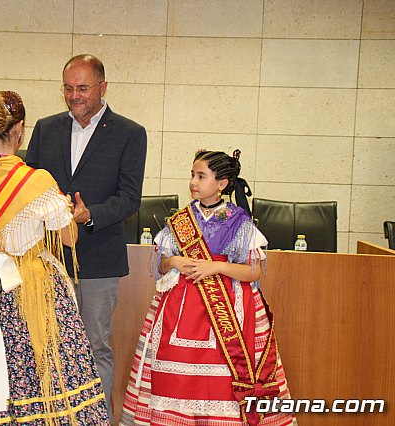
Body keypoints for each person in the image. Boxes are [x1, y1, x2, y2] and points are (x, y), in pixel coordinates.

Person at [0, 91, 109, 425]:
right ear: (20, 129)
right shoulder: (37, 180)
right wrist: (70, 212)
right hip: (29, 289)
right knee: (40, 371)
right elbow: (68, 238)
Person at [120, 150, 296, 426]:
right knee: (174, 376)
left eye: (201, 176)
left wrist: (216, 267)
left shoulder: (239, 221)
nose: (193, 181)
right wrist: (176, 260)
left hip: (228, 311)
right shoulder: (180, 220)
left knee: (222, 380)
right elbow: (163, 265)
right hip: (179, 309)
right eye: (192, 174)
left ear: (222, 183)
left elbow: (253, 271)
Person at [26, 54, 147, 417]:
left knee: (95, 346)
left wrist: (89, 214)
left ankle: (97, 419)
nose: (74, 96)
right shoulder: (46, 128)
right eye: (68, 88)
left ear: (102, 87)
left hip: (99, 259)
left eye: (82, 88)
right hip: (45, 259)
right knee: (44, 345)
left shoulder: (130, 133)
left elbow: (129, 198)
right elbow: (29, 186)